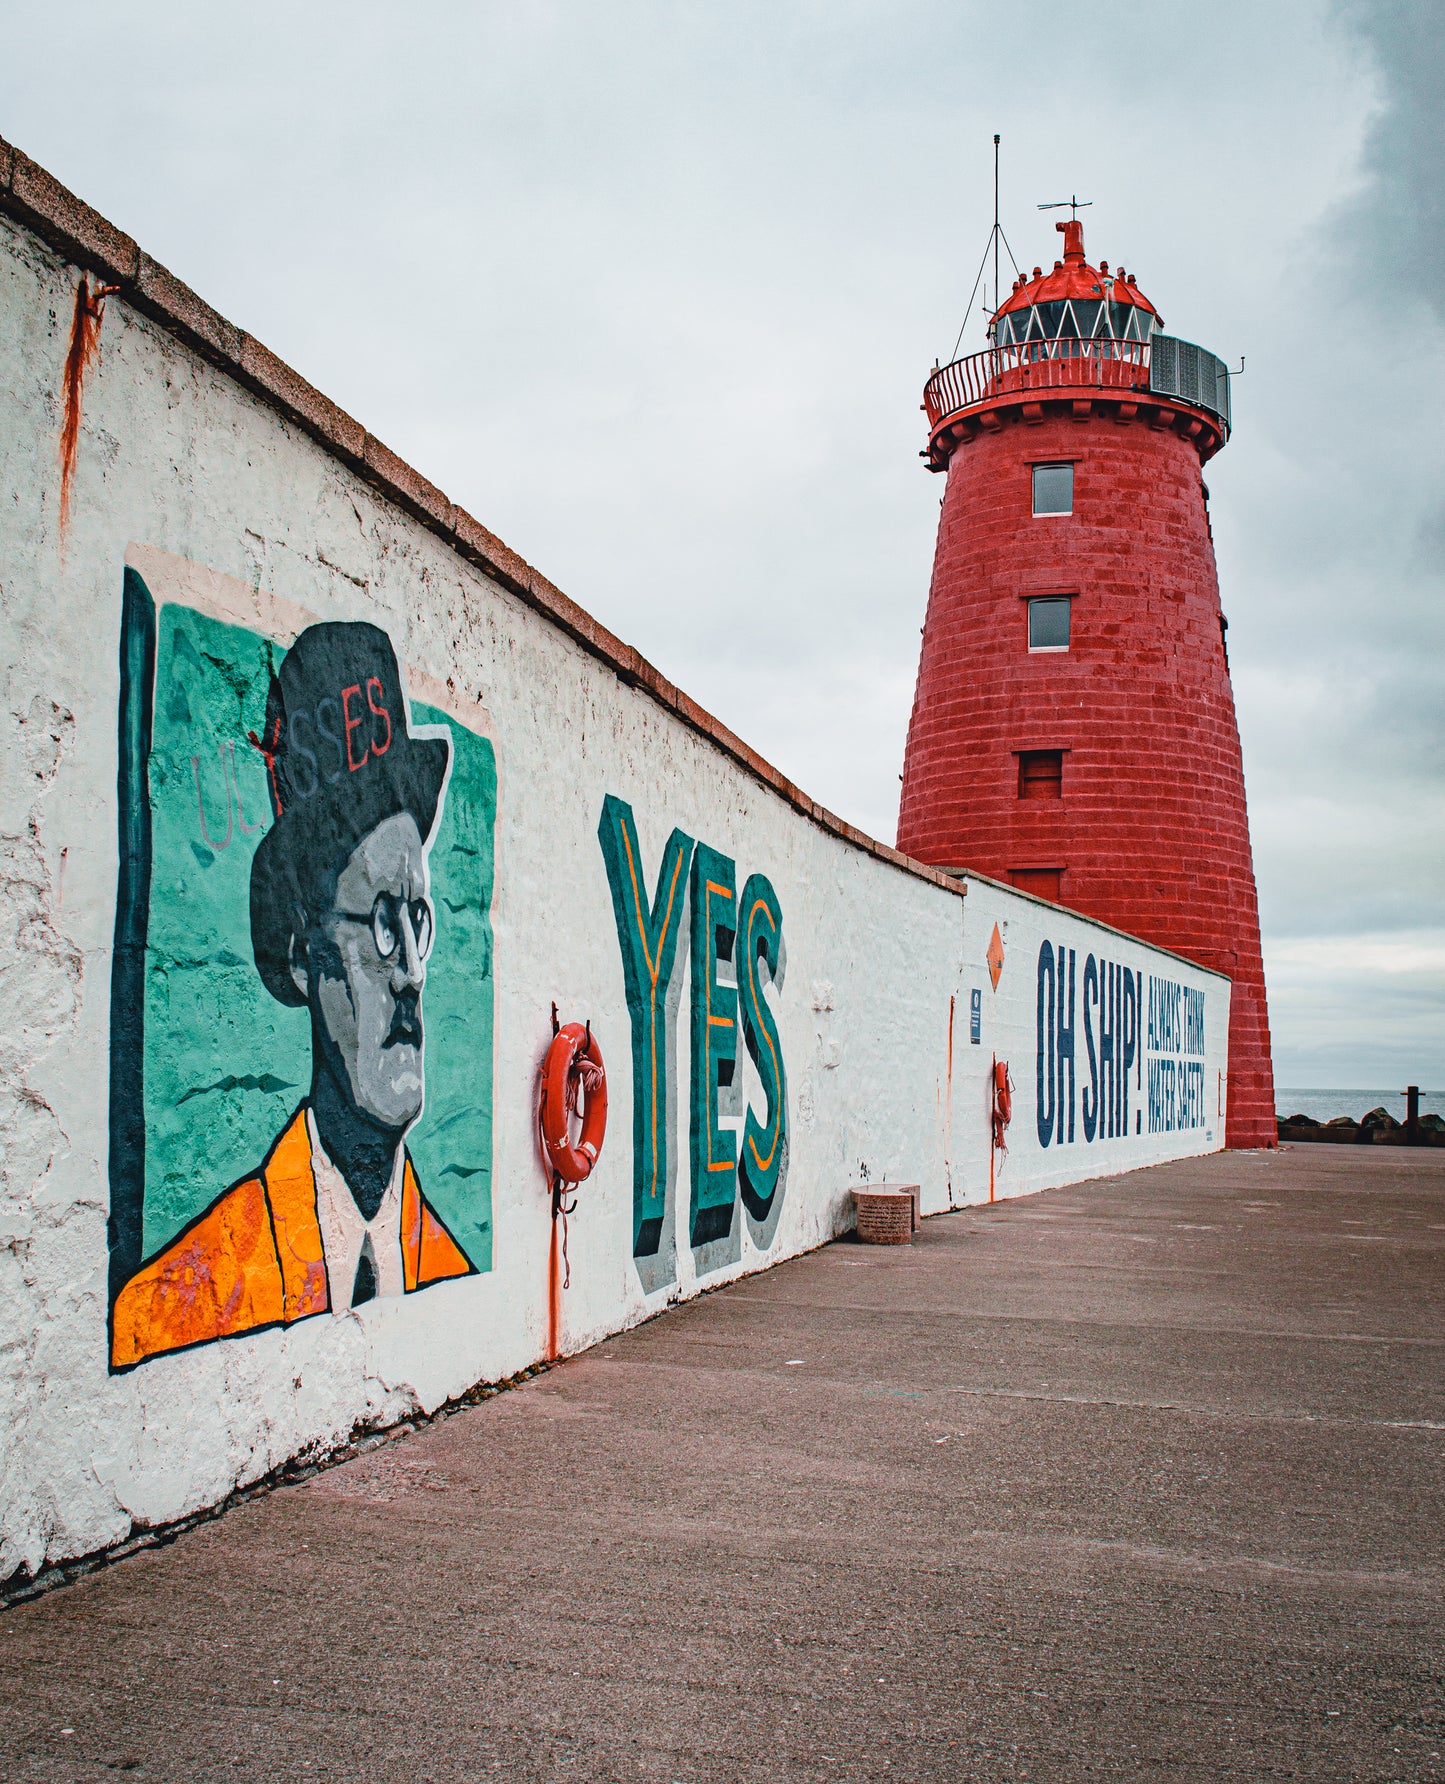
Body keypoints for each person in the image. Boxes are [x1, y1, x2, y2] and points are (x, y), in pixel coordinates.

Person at [111, 622, 473, 1369]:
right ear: (301, 953)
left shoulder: (448, 1264)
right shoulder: (179, 1305)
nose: (412, 971)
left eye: (419, 922)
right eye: (378, 924)